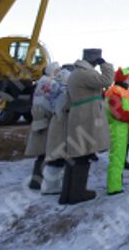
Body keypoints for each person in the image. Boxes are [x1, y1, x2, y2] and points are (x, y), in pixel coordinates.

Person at [60, 49, 114, 205]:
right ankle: (77, 193)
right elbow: (106, 80)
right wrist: (105, 65)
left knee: (76, 156)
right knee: (82, 156)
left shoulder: (75, 74)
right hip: (86, 117)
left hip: (79, 115)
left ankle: (68, 193)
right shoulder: (85, 73)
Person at [105, 66, 129, 195]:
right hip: (117, 127)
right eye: (128, 78)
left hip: (123, 127)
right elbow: (118, 113)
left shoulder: (124, 91)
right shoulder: (115, 91)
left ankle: (117, 182)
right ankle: (114, 186)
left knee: (120, 157)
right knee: (117, 157)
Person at [24, 61, 61, 190]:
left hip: (38, 121)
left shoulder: (41, 82)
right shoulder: (51, 84)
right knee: (47, 152)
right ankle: (41, 182)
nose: (59, 73)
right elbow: (52, 103)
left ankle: (36, 181)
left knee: (41, 153)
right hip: (47, 122)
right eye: (57, 71)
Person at [41, 64, 71, 194]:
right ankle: (51, 187)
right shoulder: (63, 92)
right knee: (58, 156)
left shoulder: (52, 90)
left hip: (55, 123)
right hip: (61, 125)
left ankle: (50, 185)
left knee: (55, 155)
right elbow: (66, 107)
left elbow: (46, 105)